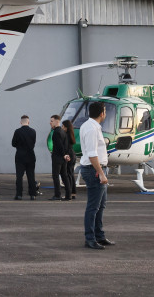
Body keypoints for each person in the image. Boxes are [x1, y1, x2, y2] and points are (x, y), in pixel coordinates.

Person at [80, 102, 113, 249]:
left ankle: (99, 236)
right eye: (105, 111)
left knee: (100, 205)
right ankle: (90, 239)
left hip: (96, 169)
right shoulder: (92, 129)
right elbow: (92, 154)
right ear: (102, 114)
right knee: (93, 207)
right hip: (94, 170)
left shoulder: (91, 126)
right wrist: (101, 173)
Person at [11, 115, 37, 200]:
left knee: (19, 176)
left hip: (20, 156)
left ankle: (19, 195)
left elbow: (13, 144)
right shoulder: (33, 131)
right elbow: (33, 143)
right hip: (31, 155)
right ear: (28, 122)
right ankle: (33, 195)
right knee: (31, 176)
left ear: (21, 122)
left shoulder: (17, 131)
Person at [49, 114, 71, 201]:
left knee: (55, 176)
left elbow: (59, 145)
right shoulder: (63, 132)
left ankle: (57, 195)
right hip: (63, 158)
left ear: (57, 121)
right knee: (64, 176)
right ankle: (68, 195)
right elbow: (66, 145)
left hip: (57, 157)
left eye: (52, 121)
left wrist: (63, 154)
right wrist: (66, 155)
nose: (50, 123)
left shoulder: (56, 132)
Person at [62, 119, 77, 200]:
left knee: (68, 174)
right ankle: (73, 193)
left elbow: (65, 147)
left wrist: (65, 155)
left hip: (69, 155)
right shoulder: (71, 134)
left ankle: (69, 193)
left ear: (66, 127)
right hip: (72, 154)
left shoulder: (66, 135)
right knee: (71, 174)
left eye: (63, 126)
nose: (62, 127)